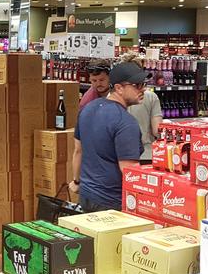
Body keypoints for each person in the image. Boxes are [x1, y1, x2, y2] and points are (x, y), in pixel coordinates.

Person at [69, 62, 149, 212]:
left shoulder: (88, 109)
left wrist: (76, 181)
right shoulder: (125, 122)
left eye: (143, 84)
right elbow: (129, 170)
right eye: (137, 85)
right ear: (119, 88)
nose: (143, 89)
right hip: (112, 202)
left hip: (86, 195)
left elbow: (78, 150)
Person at [122, 52, 163, 164]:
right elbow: (157, 131)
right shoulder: (150, 96)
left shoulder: (114, 96)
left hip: (121, 155)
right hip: (147, 155)